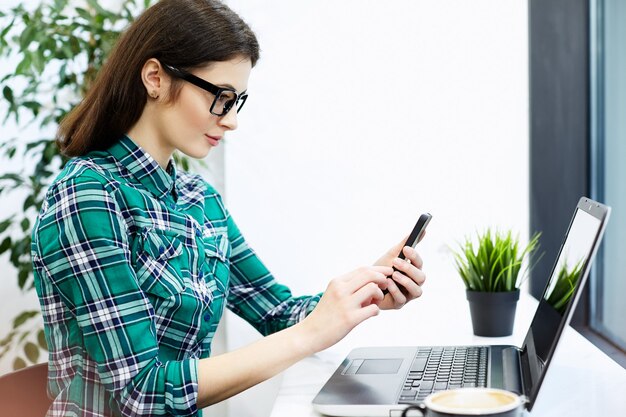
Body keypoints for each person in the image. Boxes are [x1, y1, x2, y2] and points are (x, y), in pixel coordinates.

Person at [31, 0, 426, 416]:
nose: (232, 120)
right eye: (221, 97)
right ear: (155, 78)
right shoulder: (87, 195)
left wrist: (368, 291)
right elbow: (142, 391)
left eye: (238, 101)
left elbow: (276, 312)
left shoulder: (199, 199)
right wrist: (311, 333)